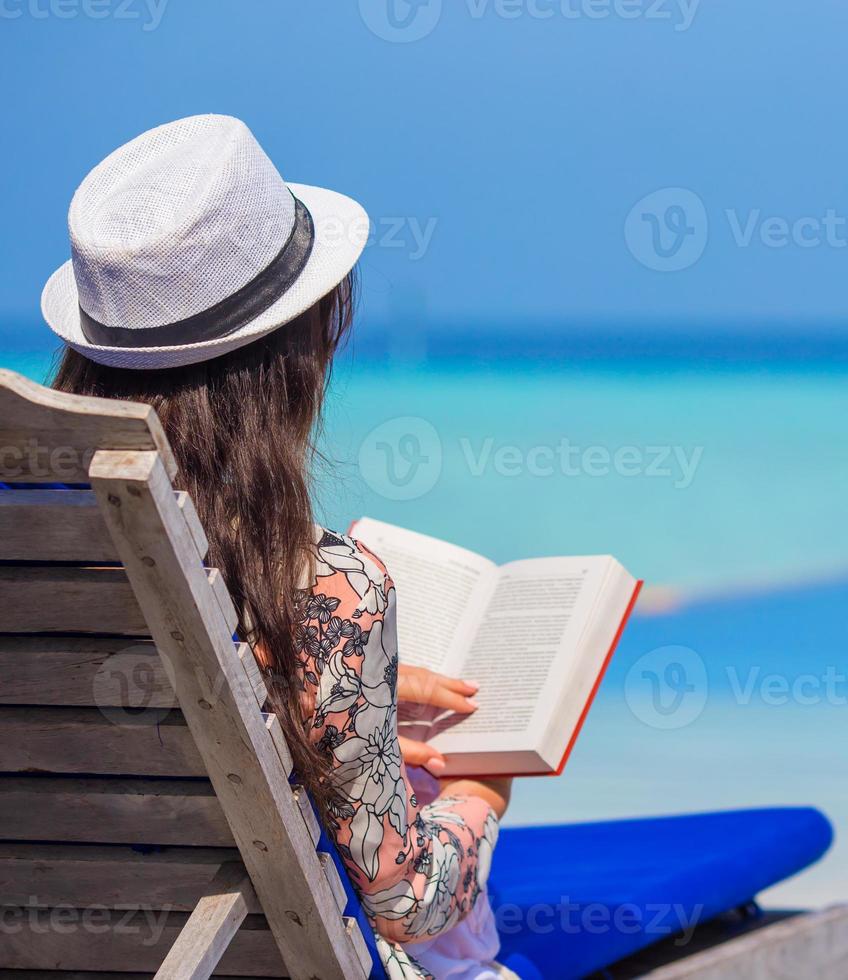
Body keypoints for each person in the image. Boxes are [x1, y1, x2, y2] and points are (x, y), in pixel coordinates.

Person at [39, 114, 515, 979]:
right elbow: (407, 902)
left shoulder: (35, 545)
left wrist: (293, 691)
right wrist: (482, 799)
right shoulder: (322, 590)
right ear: (299, 350)